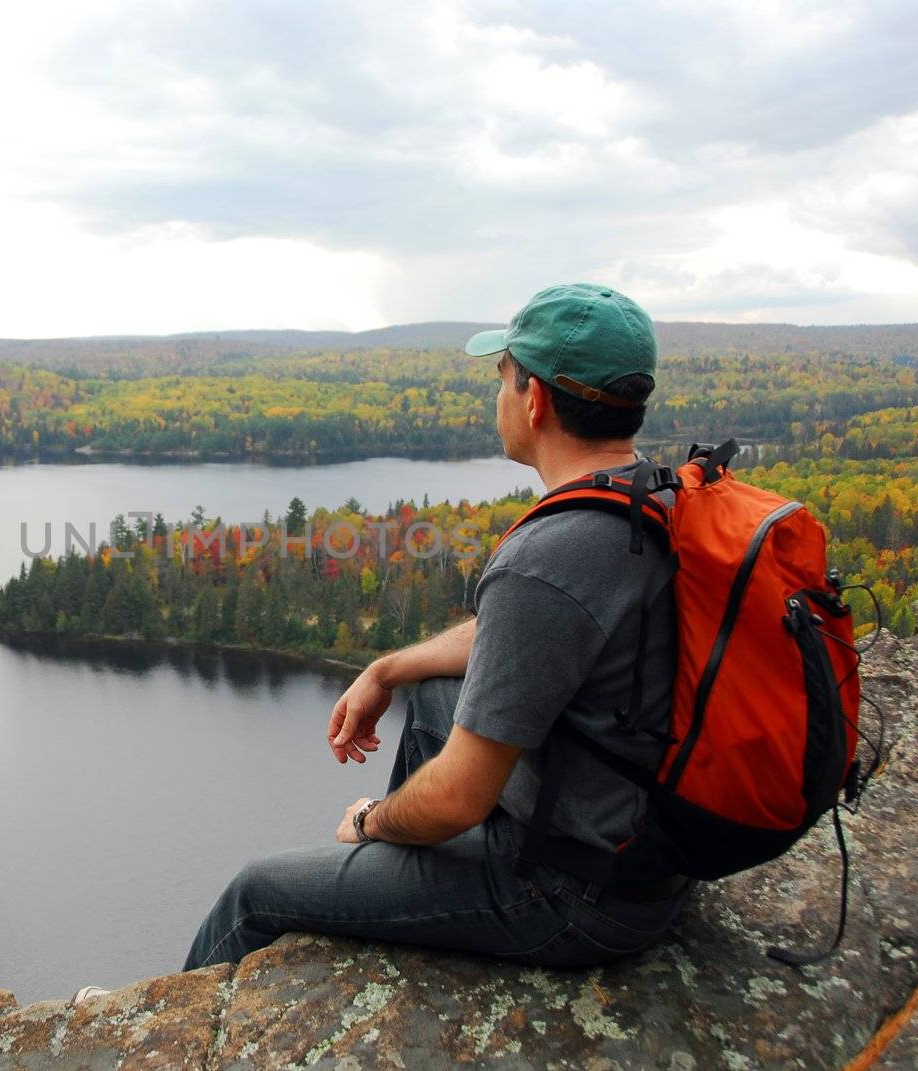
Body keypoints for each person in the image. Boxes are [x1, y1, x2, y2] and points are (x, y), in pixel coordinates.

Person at [179, 283, 696, 975]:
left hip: (571, 894)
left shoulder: (549, 557)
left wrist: (370, 821)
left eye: (502, 376)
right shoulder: (654, 497)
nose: (498, 393)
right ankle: (396, 890)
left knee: (254, 892)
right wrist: (388, 668)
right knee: (430, 701)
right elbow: (522, 636)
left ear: (534, 398)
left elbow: (458, 795)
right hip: (640, 845)